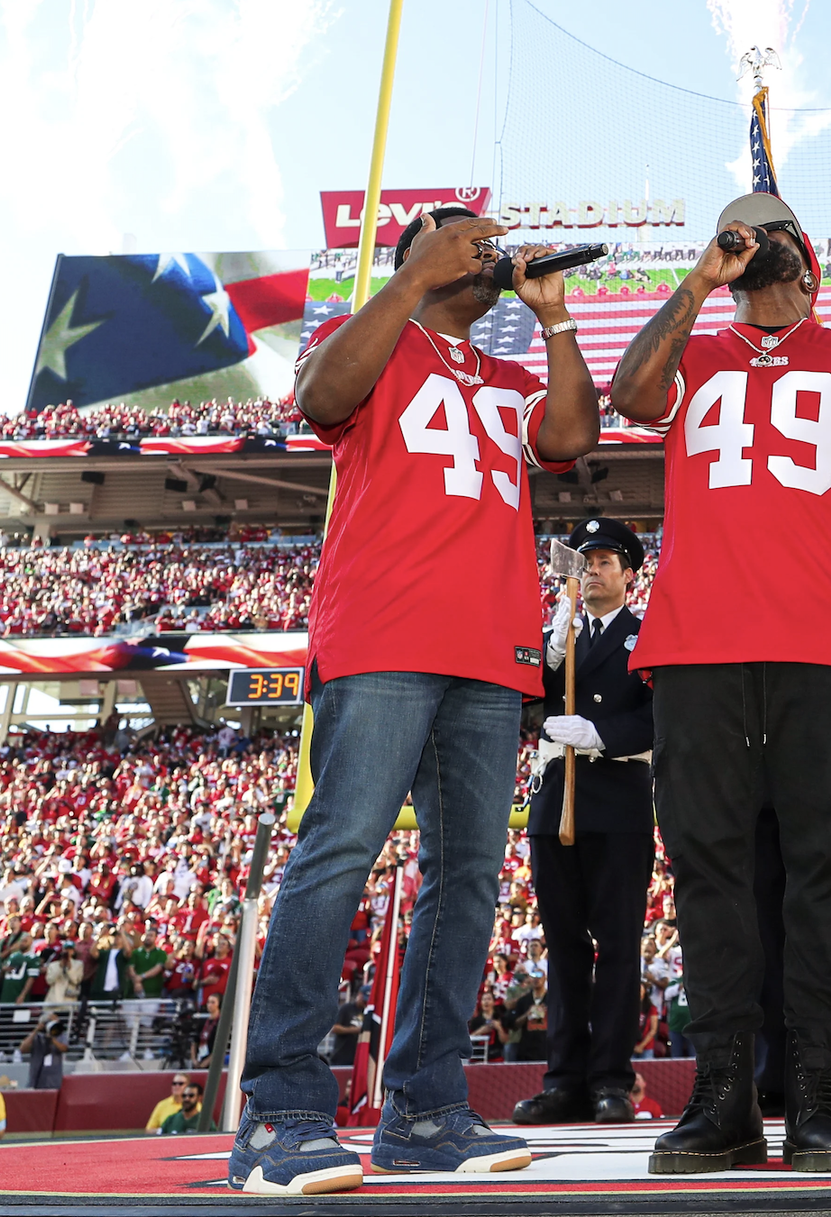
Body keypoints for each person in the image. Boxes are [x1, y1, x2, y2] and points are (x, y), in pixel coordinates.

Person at [235, 209, 596, 1193]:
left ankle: (425, 1108)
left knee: (467, 876)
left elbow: (570, 436)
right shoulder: (370, 338)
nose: (490, 252)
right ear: (420, 257)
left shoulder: (509, 374)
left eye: (491, 244)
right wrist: (410, 280)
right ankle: (279, 1111)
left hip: (491, 646)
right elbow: (319, 396)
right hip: (385, 633)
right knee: (340, 851)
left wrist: (555, 318)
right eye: (469, 240)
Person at [609, 192, 831, 1177]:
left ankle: (816, 1088)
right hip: (696, 640)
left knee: (822, 862)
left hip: (819, 638)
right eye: (736, 230)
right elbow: (628, 394)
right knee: (707, 866)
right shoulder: (695, 347)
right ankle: (724, 1092)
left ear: (806, 256)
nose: (751, 238)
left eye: (768, 228)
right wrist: (701, 278)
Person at [511, 519, 657, 1129]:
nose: (592, 571)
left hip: (618, 800)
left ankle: (611, 1081)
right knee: (565, 946)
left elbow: (666, 713)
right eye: (585, 562)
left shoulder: (647, 636)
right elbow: (521, 697)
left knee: (617, 946)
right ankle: (564, 1080)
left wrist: (602, 734)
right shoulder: (555, 635)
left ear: (628, 574)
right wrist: (548, 656)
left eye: (604, 562)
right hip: (556, 801)